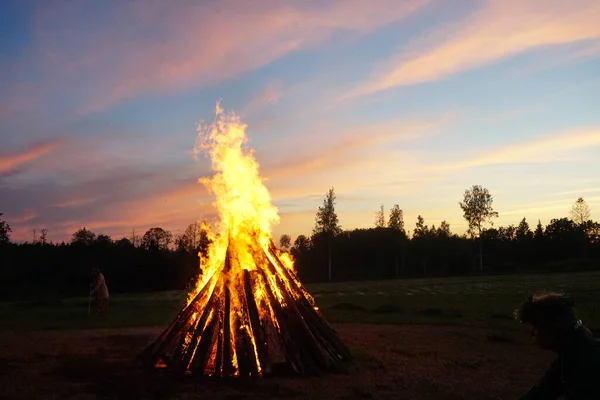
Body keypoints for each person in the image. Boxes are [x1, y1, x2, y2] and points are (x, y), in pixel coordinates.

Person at [514, 292, 600, 399]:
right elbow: (541, 393)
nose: (532, 334)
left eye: (536, 327)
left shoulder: (587, 364)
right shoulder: (572, 356)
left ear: (556, 325)